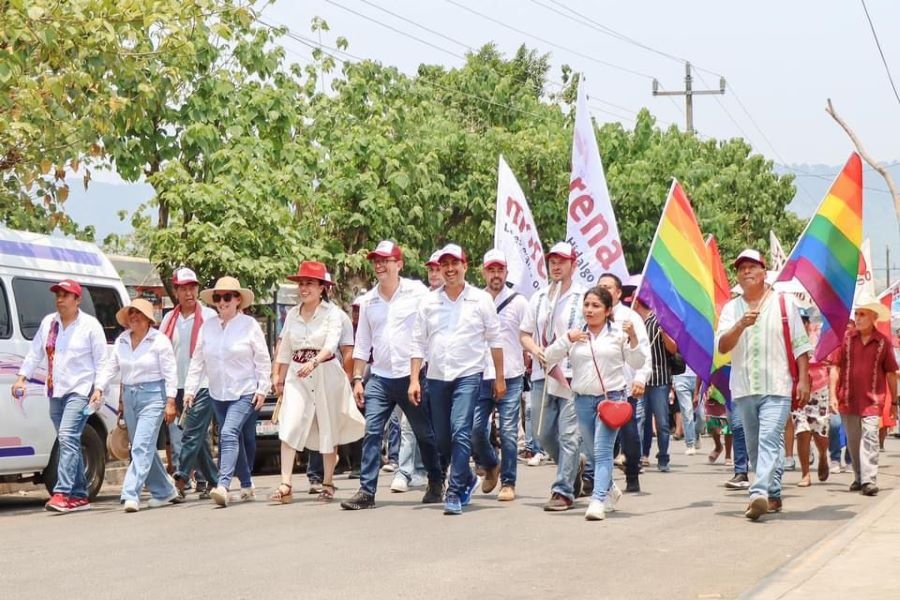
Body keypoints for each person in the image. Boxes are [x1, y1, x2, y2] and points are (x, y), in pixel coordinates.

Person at [341, 240, 444, 510]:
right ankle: (366, 491)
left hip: (413, 376)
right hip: (381, 378)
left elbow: (433, 325)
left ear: (399, 264)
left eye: (385, 260)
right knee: (372, 431)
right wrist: (357, 379)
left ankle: (436, 481)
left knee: (424, 434)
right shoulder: (368, 301)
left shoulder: (417, 293)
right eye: (376, 260)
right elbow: (362, 344)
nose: (379, 265)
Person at [409, 243, 504, 515]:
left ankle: (455, 489)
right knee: (442, 438)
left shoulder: (480, 299)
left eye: (455, 264)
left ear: (465, 266)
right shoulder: (428, 301)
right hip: (437, 377)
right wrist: (415, 379)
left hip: (468, 374)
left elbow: (495, 340)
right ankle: (469, 477)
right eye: (445, 265)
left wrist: (499, 378)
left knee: (461, 429)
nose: (450, 270)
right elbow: (418, 343)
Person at [716, 250, 811, 520]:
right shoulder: (731, 308)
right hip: (744, 387)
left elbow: (801, 345)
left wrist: (803, 379)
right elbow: (722, 346)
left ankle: (757, 493)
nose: (746, 271)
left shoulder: (783, 303)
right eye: (741, 268)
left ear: (764, 271)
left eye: (751, 267)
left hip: (777, 385)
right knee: (755, 445)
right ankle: (774, 494)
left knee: (770, 439)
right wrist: (739, 326)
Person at [545, 287, 646, 520]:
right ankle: (609, 487)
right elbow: (548, 356)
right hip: (581, 399)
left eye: (596, 306)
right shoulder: (575, 335)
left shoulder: (618, 334)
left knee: (602, 451)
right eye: (587, 305)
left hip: (611, 399)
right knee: (590, 452)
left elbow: (637, 361)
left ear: (608, 310)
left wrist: (632, 338)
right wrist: (566, 339)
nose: (589, 310)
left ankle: (598, 499)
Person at [270, 261, 365, 504]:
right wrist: (278, 376)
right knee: (289, 423)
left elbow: (332, 345)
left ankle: (328, 482)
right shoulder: (292, 314)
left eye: (310, 283)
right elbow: (285, 347)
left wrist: (313, 363)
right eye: (301, 284)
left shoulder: (333, 314)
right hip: (296, 373)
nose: (304, 288)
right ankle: (285, 483)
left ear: (322, 287)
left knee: (327, 425)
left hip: (325, 372)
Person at [12, 279, 106, 513]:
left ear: (77, 300)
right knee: (69, 440)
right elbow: (35, 353)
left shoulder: (89, 325)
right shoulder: (49, 324)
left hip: (80, 390)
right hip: (55, 390)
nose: (60, 299)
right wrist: (22, 377)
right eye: (58, 295)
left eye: (65, 295)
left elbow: (102, 361)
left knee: (66, 436)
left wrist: (99, 388)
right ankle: (80, 495)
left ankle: (63, 492)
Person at [184, 276, 271, 507]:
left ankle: (222, 485)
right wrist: (190, 390)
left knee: (228, 434)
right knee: (236, 438)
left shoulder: (249, 326)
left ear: (238, 300)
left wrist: (263, 387)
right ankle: (246, 483)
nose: (222, 302)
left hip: (244, 390)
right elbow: (197, 360)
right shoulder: (208, 327)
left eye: (227, 297)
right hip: (218, 392)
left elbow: (262, 359)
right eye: (217, 297)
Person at [93, 299, 180, 512]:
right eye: (131, 313)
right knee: (144, 447)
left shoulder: (159, 341)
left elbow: (170, 373)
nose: (133, 317)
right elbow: (110, 367)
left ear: (148, 319)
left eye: (138, 313)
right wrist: (99, 388)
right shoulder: (122, 340)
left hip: (153, 396)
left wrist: (170, 401)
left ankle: (130, 493)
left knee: (141, 445)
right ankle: (165, 490)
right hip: (130, 397)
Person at [519, 242, 586, 511]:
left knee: (569, 434)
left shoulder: (583, 297)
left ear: (573, 264)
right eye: (552, 261)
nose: (556, 266)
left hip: (572, 374)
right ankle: (573, 468)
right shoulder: (538, 298)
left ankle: (562, 490)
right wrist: (536, 349)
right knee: (543, 433)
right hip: (542, 373)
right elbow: (524, 333)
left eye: (562, 261)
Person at [472, 249, 529, 501]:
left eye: (500, 270)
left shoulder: (519, 301)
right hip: (480, 374)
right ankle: (490, 464)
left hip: (510, 375)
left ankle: (509, 482)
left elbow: (526, 335)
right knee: (474, 429)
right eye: (491, 270)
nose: (495, 275)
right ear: (483, 272)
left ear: (506, 272)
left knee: (507, 431)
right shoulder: (474, 299)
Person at [160, 267, 219, 501]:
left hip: (204, 384)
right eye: (183, 289)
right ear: (175, 291)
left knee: (192, 433)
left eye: (192, 287)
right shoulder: (168, 320)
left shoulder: (210, 317)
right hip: (177, 385)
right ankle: (213, 481)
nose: (189, 293)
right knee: (190, 435)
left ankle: (180, 479)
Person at [830, 293, 898, 496]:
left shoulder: (883, 343)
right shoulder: (846, 339)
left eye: (862, 315)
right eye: (857, 314)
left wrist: (894, 401)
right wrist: (832, 394)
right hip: (848, 398)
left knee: (870, 437)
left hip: (873, 401)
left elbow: (891, 373)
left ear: (873, 318)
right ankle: (859, 477)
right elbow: (835, 367)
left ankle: (869, 479)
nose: (858, 318)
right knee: (853, 440)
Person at [597, 273, 651, 494]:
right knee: (598, 436)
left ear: (618, 293)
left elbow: (644, 351)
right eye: (600, 287)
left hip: (624, 386)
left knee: (629, 434)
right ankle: (599, 479)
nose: (604, 290)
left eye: (608, 287)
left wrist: (640, 378)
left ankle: (632, 473)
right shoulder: (593, 315)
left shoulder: (630, 318)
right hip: (598, 387)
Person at [632, 297, 675, 472]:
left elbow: (673, 348)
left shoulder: (659, 321)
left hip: (659, 380)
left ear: (638, 302)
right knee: (640, 419)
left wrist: (664, 332)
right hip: (640, 379)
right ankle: (641, 455)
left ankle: (663, 457)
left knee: (662, 422)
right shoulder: (634, 323)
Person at [792, 307, 832, 488]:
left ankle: (823, 455)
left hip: (819, 389)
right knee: (802, 431)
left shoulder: (820, 336)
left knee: (820, 433)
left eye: (803, 321)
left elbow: (830, 364)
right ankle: (805, 473)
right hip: (799, 390)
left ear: (808, 323)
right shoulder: (790, 339)